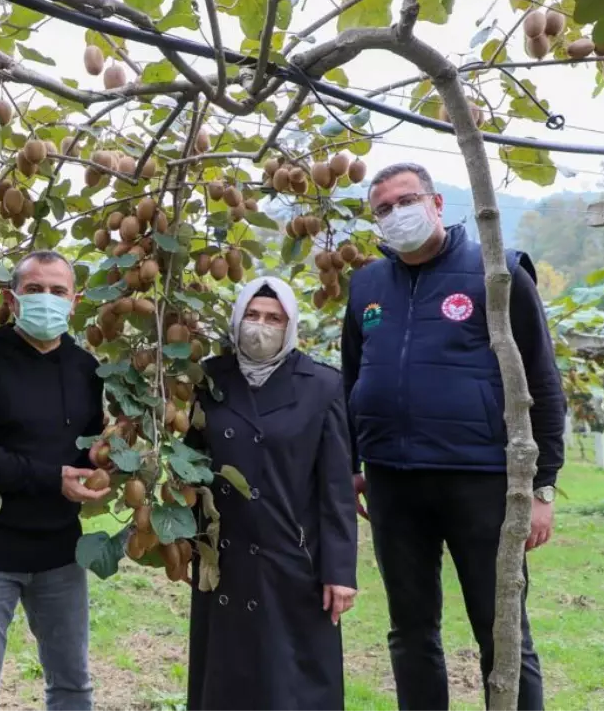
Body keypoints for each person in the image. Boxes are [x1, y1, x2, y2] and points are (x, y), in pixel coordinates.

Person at [342, 162, 566, 710]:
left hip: (480, 480)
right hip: (392, 482)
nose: (396, 215)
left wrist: (541, 487)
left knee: (502, 629)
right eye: (383, 209)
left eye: (405, 200)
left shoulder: (498, 273)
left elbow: (541, 380)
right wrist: (351, 464)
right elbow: (352, 377)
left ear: (437, 203)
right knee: (411, 630)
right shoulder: (367, 284)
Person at [0, 250, 109, 711]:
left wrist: (99, 465)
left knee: (73, 684)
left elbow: (86, 448)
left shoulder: (87, 369)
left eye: (58, 291)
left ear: (75, 302)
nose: (47, 300)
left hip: (60, 553)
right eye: (34, 289)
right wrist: (52, 478)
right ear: (11, 299)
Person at [186, 276, 358, 710]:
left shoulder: (321, 385)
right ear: (237, 318)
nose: (261, 327)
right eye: (253, 315)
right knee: (228, 676)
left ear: (290, 325)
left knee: (292, 680)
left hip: (295, 557)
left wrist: (339, 570)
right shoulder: (208, 379)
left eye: (274, 318)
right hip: (224, 557)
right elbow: (187, 464)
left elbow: (335, 487)